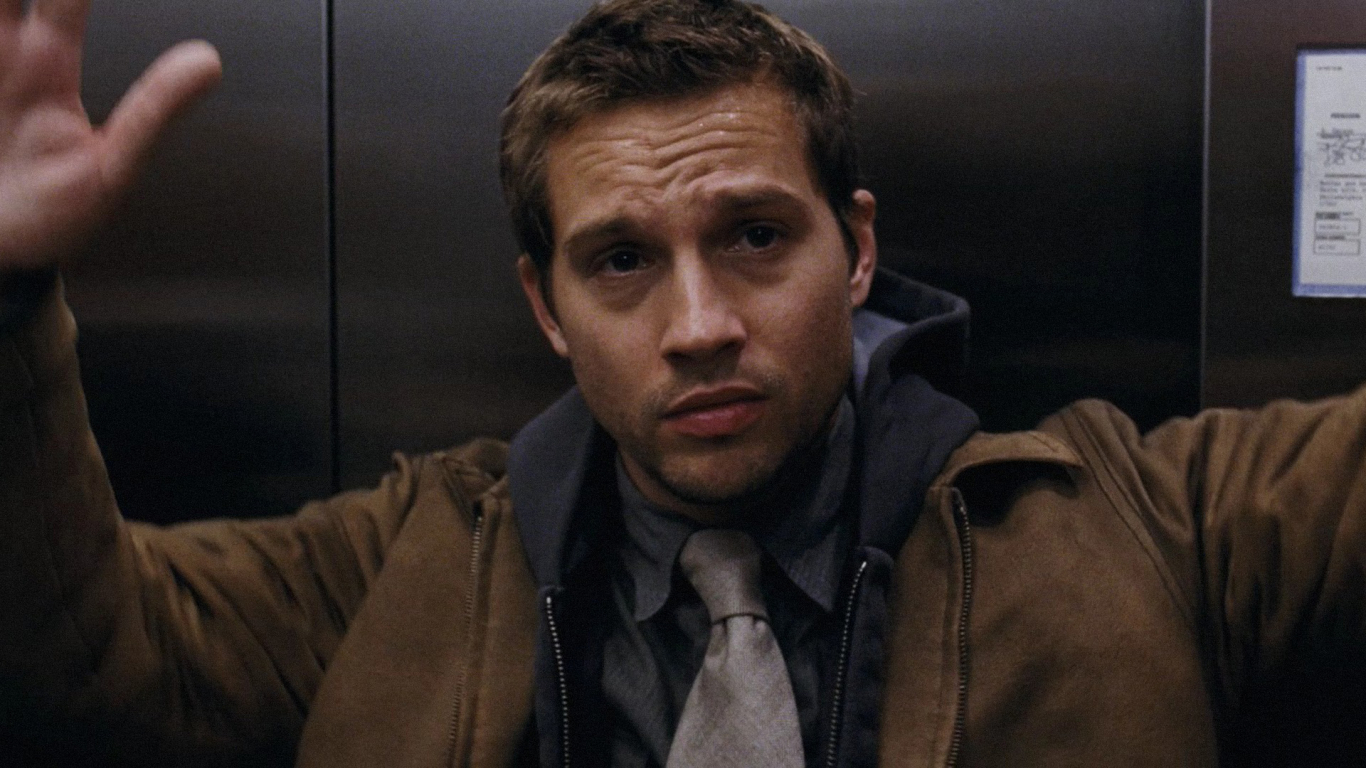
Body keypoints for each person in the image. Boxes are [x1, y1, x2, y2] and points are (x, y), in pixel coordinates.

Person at [0, 0, 1363, 766]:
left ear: (858, 249)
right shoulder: (402, 566)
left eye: (755, 237)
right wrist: (5, 297)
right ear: (546, 306)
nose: (699, 325)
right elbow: (86, 668)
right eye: (621, 262)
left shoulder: (1146, 526)